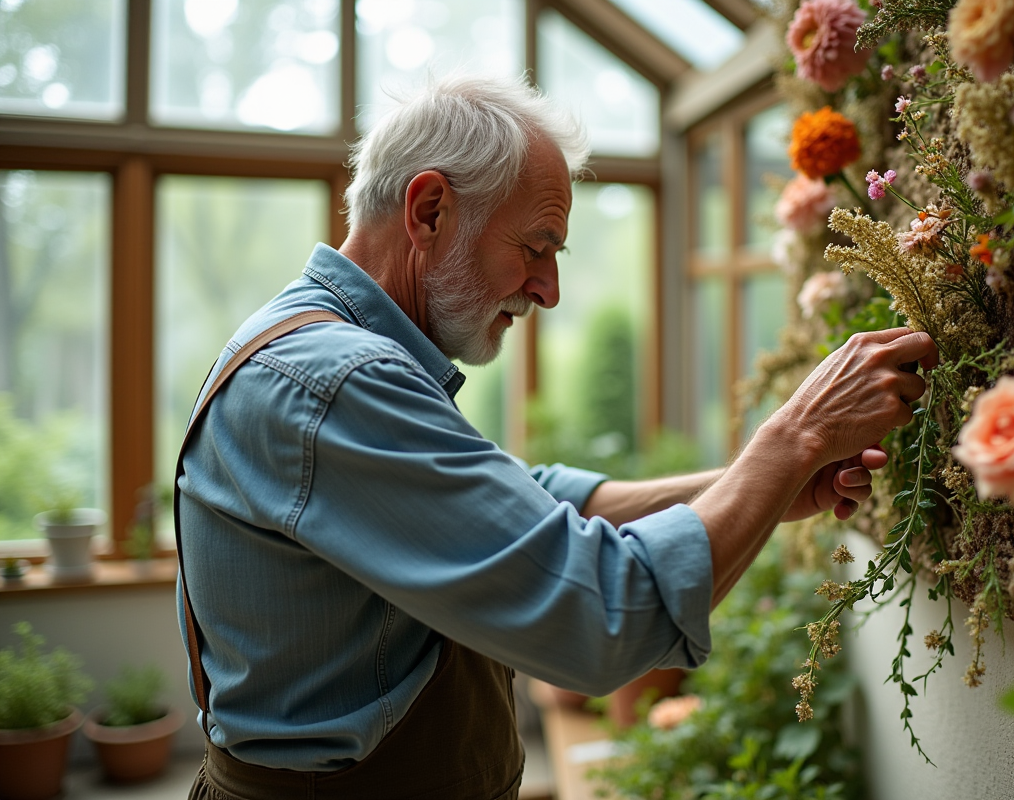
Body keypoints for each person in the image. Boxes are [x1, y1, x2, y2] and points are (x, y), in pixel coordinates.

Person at [178, 74, 936, 799]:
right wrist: (794, 437)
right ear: (430, 210)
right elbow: (602, 621)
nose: (549, 288)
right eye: (536, 246)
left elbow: (525, 505)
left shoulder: (332, 352)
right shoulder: (335, 381)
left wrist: (755, 485)